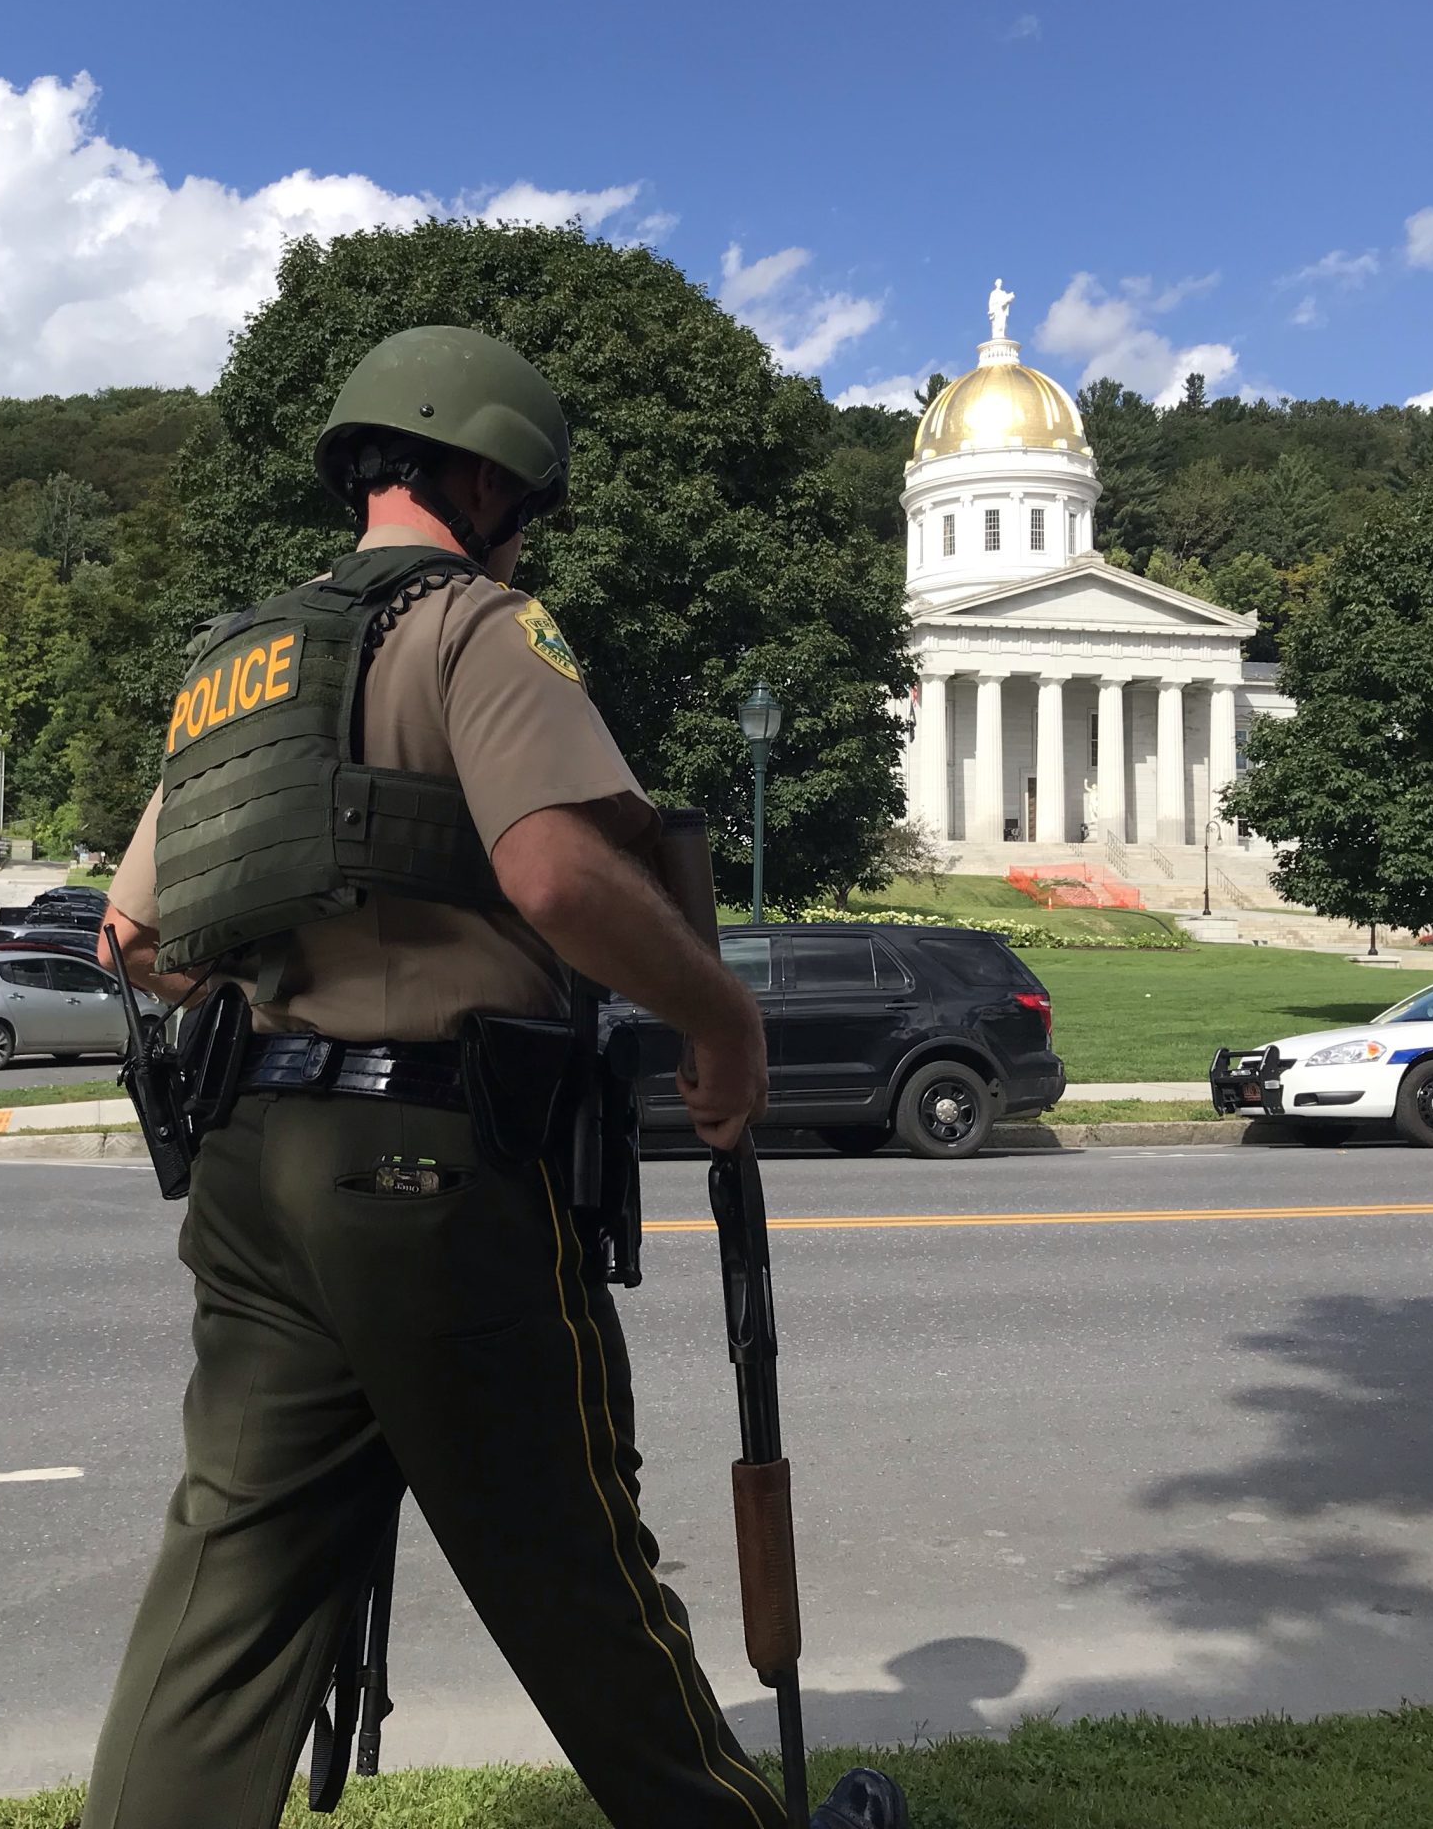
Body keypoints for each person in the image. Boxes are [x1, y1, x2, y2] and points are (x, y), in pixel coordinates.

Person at [85, 324, 905, 1829]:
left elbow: (133, 939)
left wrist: (300, 966)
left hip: (256, 1166)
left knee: (229, 1581)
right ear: (479, 470)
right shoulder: (481, 627)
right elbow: (558, 875)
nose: (526, 536)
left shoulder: (235, 667)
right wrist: (723, 1020)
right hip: (427, 1171)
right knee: (574, 1557)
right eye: (524, 501)